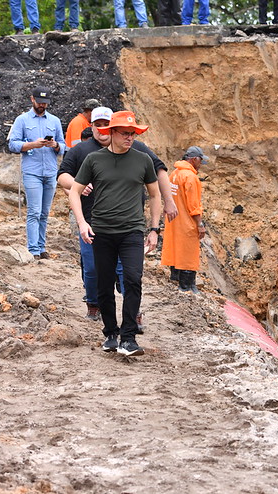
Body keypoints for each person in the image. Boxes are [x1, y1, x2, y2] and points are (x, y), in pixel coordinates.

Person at [57, 106, 175, 322]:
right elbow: (62, 175)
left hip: (129, 223)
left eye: (105, 124)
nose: (102, 129)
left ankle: (132, 313)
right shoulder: (83, 152)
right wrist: (77, 185)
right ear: (91, 126)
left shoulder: (137, 150)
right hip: (93, 222)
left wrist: (169, 201)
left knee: (128, 272)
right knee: (93, 269)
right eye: (98, 125)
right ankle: (94, 304)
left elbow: (159, 170)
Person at [68, 110, 162, 357]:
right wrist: (81, 223)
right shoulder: (94, 160)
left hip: (132, 231)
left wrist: (154, 229)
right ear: (111, 133)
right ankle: (111, 333)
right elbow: (74, 191)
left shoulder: (143, 160)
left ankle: (129, 337)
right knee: (104, 283)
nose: (130, 138)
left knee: (132, 280)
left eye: (133, 134)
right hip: (102, 231)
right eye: (124, 134)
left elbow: (154, 194)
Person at [8, 87, 66, 260]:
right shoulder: (22, 120)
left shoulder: (55, 121)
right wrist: (32, 145)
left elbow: (63, 146)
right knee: (34, 211)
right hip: (32, 171)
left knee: (44, 212)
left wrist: (55, 145)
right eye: (40, 102)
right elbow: (12, 145)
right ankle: (33, 249)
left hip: (50, 171)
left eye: (45, 103)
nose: (42, 105)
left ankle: (41, 246)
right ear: (32, 99)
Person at [161, 146, 208, 293]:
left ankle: (175, 276)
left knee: (176, 248)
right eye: (200, 161)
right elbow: (194, 205)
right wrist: (199, 224)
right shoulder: (190, 177)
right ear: (194, 159)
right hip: (186, 222)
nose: (200, 165)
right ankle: (187, 286)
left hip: (174, 220)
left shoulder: (174, 174)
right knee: (188, 252)